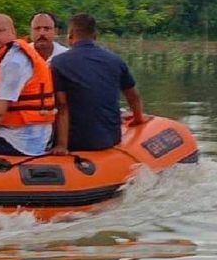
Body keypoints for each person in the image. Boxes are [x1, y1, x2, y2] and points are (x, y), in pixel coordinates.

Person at [49, 13, 149, 154]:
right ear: (95, 35)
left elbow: (62, 105)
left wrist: (61, 146)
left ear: (70, 35)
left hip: (75, 142)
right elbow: (133, 96)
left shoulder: (58, 62)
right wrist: (138, 118)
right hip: (109, 139)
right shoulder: (116, 60)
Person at [0, 14, 56, 156]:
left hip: (21, 140)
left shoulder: (13, 62)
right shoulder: (11, 56)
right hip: (19, 131)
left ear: (13, 33)